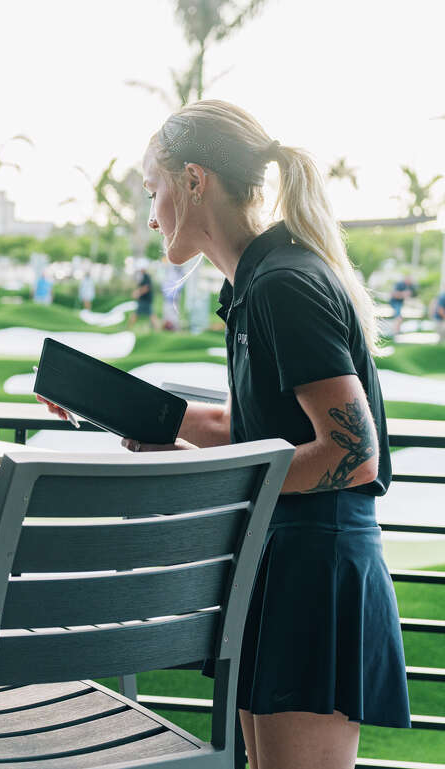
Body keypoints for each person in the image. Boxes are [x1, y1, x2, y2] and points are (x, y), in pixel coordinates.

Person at [118, 100, 409, 767]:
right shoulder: (255, 285)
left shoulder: (283, 284)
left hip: (315, 570)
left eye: (152, 189)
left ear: (194, 182)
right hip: (282, 559)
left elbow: (354, 453)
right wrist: (111, 407)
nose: (151, 210)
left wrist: (213, 477)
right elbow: (237, 427)